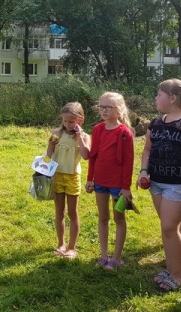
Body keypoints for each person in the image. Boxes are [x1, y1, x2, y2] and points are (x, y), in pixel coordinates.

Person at [138, 79, 181, 292]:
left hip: (179, 185)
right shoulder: (156, 123)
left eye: (159, 95)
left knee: (169, 228)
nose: (156, 98)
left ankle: (178, 276)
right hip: (156, 183)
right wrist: (143, 171)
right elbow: (147, 150)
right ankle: (171, 268)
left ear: (172, 98)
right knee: (168, 229)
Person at [86, 92, 135, 270]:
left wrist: (126, 188)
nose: (104, 110)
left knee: (118, 218)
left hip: (118, 187)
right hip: (99, 182)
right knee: (103, 217)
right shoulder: (98, 129)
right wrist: (89, 179)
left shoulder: (125, 133)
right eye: (101, 107)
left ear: (119, 110)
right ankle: (104, 255)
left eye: (108, 107)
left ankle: (117, 257)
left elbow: (129, 162)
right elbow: (93, 156)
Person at [46, 102, 90, 259]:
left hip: (72, 176)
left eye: (71, 121)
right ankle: (61, 244)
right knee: (59, 212)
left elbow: (86, 156)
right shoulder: (56, 133)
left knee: (72, 212)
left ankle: (71, 247)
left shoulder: (84, 137)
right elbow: (48, 157)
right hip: (57, 175)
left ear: (80, 120)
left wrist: (79, 139)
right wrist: (50, 148)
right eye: (65, 121)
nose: (67, 124)